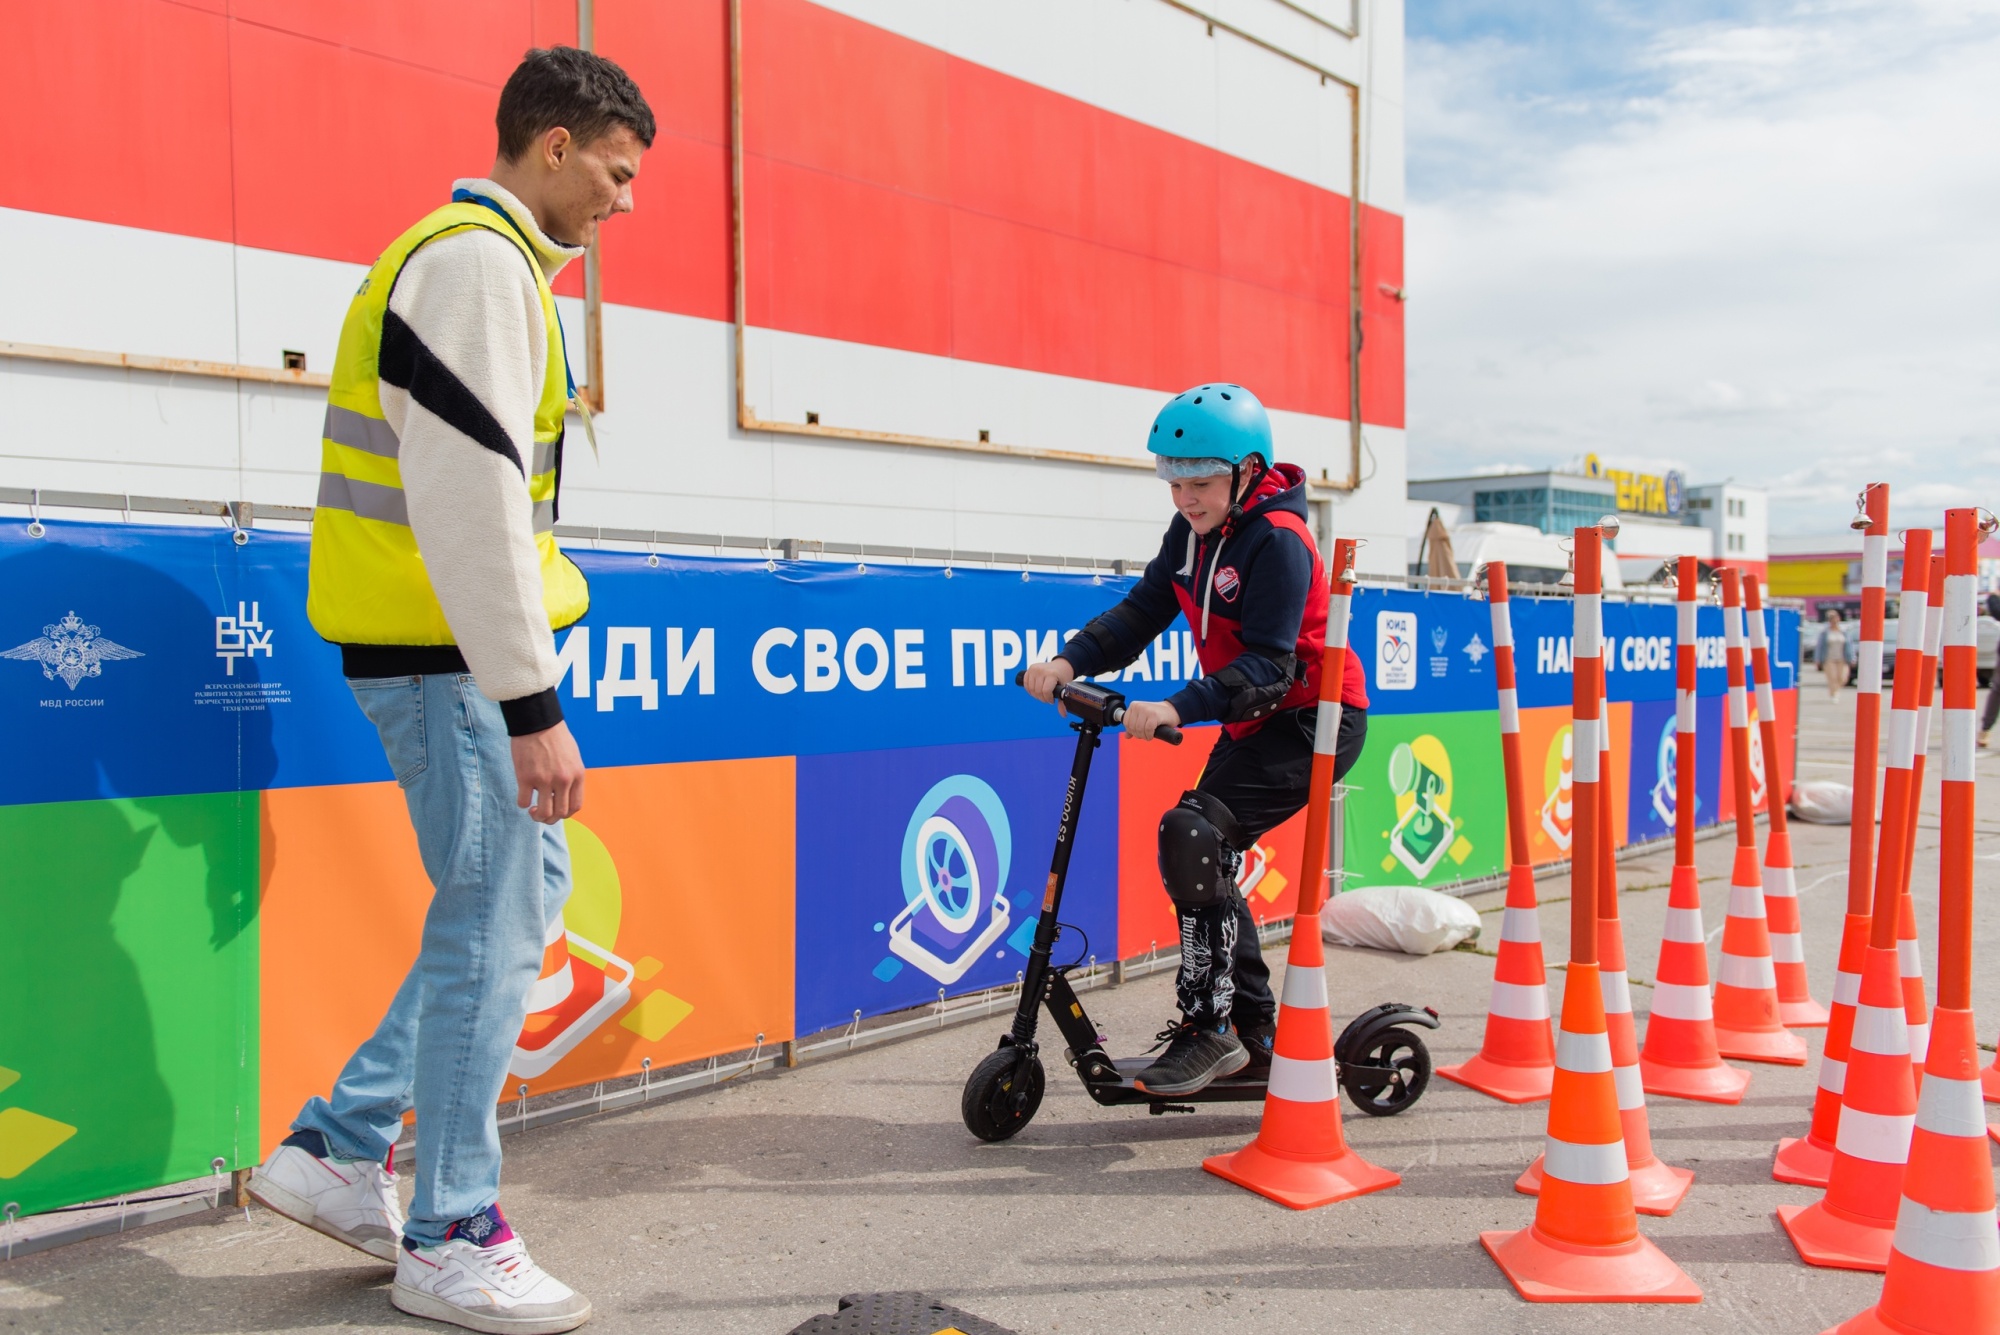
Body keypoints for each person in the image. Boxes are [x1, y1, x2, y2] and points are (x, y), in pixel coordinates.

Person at [248, 48, 654, 1334]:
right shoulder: (477, 262)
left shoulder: (483, 263)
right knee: (495, 915)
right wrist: (532, 701)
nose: (624, 201)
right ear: (551, 145)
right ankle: (452, 1230)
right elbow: (469, 497)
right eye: (614, 169)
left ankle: (336, 1145)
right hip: (450, 661)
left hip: (444, 655)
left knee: (513, 900)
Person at [1022, 384, 1368, 1097]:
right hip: (1256, 719)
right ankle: (1256, 1033)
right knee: (1200, 847)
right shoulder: (1191, 535)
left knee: (1191, 834)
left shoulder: (1279, 542)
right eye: (1174, 481)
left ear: (1246, 471)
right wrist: (1068, 661)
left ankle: (1212, 1030)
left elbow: (1270, 666)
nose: (1185, 497)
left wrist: (1176, 703)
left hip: (1314, 718)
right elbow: (1144, 609)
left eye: (1201, 483)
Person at [1816, 608, 1849, 698]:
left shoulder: (1843, 631)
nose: (1834, 620)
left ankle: (1837, 689)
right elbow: (1820, 646)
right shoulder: (1825, 632)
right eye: (1832, 618)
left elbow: (1849, 645)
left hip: (1842, 658)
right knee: (1832, 677)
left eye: (1836, 618)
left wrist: (1851, 657)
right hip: (1829, 658)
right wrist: (1818, 659)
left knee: (1842, 678)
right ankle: (1834, 693)